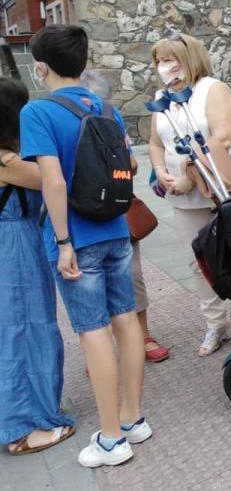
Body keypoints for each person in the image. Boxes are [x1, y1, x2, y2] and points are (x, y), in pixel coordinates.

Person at [19, 25, 150, 467]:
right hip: (115, 230)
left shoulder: (37, 113)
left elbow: (52, 181)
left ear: (40, 67)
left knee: (92, 334)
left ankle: (111, 439)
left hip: (77, 237)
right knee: (126, 323)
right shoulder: (104, 106)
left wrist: (63, 242)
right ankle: (134, 419)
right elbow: (129, 163)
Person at [146, 34, 231, 357]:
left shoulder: (212, 89)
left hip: (222, 188)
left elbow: (223, 138)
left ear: (187, 58)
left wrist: (189, 175)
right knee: (198, 261)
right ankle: (216, 323)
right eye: (159, 61)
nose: (163, 67)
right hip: (183, 197)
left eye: (168, 59)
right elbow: (154, 142)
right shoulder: (161, 97)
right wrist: (161, 167)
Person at [1, 77, 77, 456]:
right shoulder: (7, 162)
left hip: (15, 242)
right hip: (13, 248)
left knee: (20, 329)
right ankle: (24, 428)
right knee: (25, 330)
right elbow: (53, 179)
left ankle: (23, 414)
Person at [81, 70, 169, 363]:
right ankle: (99, 351)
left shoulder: (110, 117)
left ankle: (143, 336)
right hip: (81, 215)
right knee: (88, 286)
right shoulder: (60, 119)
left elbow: (131, 165)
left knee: (132, 276)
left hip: (116, 212)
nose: (92, 105)